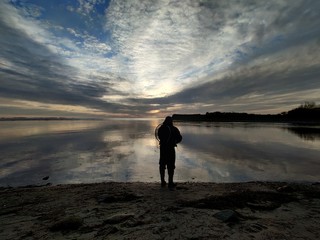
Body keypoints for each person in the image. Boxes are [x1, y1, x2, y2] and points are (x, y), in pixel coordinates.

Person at [157, 116, 182, 189]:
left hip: (163, 149)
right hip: (170, 149)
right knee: (171, 166)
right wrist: (175, 142)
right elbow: (180, 138)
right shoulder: (174, 129)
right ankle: (170, 183)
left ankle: (162, 182)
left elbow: (159, 136)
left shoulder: (161, 128)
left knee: (162, 165)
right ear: (171, 121)